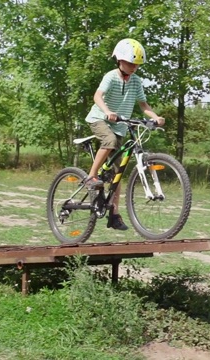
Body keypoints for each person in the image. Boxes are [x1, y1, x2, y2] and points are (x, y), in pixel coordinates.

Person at [84, 38, 165, 231]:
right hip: (99, 119)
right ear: (119, 60)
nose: (133, 67)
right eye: (130, 63)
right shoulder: (111, 76)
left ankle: (114, 214)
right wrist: (107, 111)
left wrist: (155, 117)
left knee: (117, 174)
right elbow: (97, 96)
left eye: (136, 64)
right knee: (110, 140)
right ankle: (91, 176)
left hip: (120, 125)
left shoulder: (136, 81)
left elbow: (143, 105)